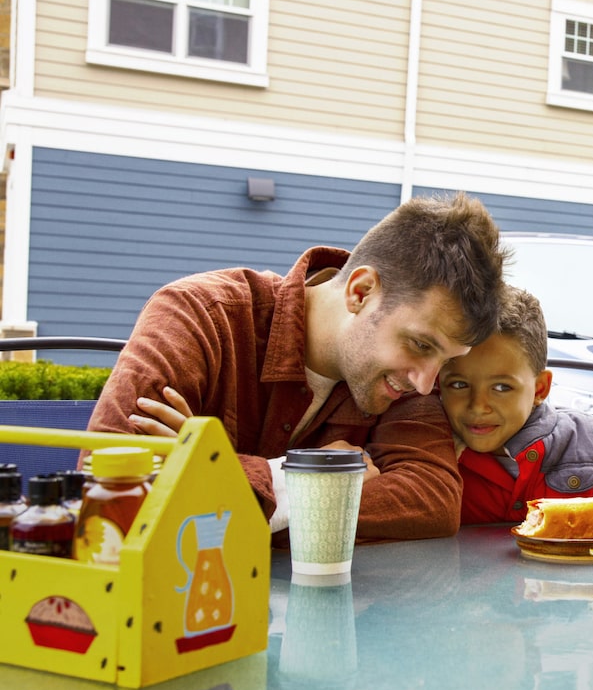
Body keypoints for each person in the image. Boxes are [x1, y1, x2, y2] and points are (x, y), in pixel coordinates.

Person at [87, 192, 507, 543]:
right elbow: (111, 492)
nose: (425, 383)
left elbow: (432, 502)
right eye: (420, 345)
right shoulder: (199, 314)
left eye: (445, 360)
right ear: (361, 292)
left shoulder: (403, 379)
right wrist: (309, 478)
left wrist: (208, 478)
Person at [437, 285, 593, 525]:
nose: (478, 406)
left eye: (501, 388)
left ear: (540, 389)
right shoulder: (429, 453)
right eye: (458, 385)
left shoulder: (583, 455)